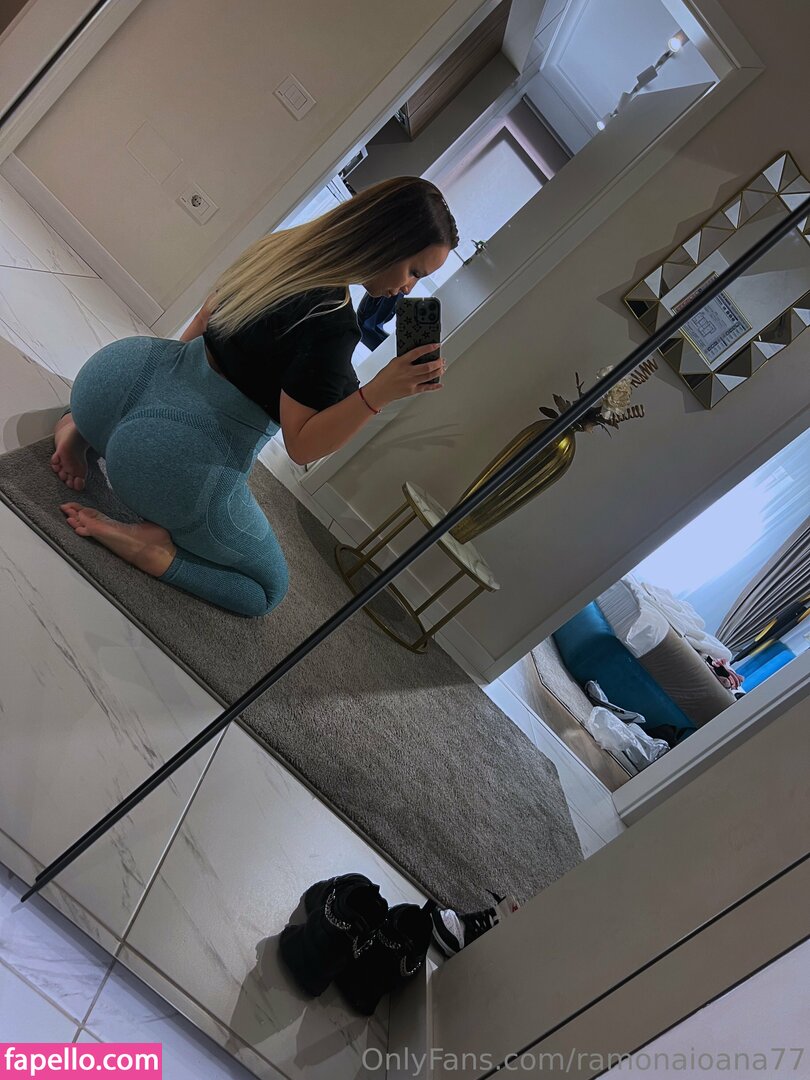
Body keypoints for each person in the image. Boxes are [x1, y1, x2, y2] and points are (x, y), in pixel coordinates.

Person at [50, 176, 458, 617]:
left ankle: (81, 429)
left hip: (115, 377)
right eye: (414, 271)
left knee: (129, 412)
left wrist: (162, 387)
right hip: (169, 451)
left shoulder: (283, 247)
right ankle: (150, 548)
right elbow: (302, 446)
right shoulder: (333, 322)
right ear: (386, 242)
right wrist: (381, 393)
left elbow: (205, 316)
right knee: (266, 590)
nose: (409, 288)